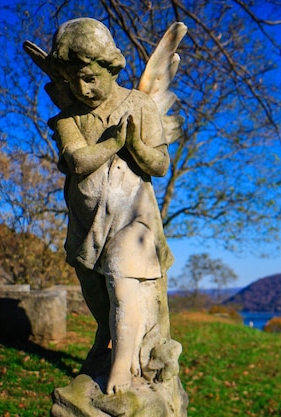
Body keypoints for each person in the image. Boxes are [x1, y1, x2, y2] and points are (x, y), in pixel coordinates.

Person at [48, 18, 176, 395]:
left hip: (134, 219)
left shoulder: (138, 104)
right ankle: (107, 342)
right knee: (99, 299)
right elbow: (76, 161)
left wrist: (136, 147)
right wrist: (113, 144)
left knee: (122, 277)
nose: (82, 88)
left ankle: (123, 366)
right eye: (72, 80)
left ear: (110, 66)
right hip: (87, 224)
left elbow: (161, 164)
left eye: (89, 77)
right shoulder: (69, 117)